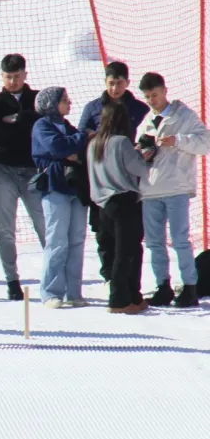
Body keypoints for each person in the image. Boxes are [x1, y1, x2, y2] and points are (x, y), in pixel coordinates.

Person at [137, 71, 210, 308]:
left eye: (155, 95)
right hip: (151, 190)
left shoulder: (185, 115)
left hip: (177, 187)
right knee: (155, 242)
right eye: (147, 97)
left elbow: (205, 143)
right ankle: (162, 286)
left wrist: (177, 140)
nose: (152, 100)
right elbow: (138, 150)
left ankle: (190, 286)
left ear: (165, 91)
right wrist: (144, 153)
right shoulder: (147, 121)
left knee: (180, 239)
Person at [77, 61, 150, 282]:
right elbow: (81, 134)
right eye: (111, 83)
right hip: (101, 174)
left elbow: (148, 131)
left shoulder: (139, 108)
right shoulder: (92, 107)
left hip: (129, 174)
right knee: (103, 230)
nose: (115, 88)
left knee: (129, 233)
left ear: (127, 83)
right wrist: (93, 137)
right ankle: (108, 273)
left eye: (119, 83)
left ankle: (126, 278)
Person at [0, 53, 45, 300]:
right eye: (8, 77)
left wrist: (16, 120)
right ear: (2, 76)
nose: (13, 81)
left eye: (17, 76)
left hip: (32, 170)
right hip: (3, 170)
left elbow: (40, 126)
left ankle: (53, 276)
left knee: (43, 223)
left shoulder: (36, 99)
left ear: (25, 75)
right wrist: (13, 127)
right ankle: (12, 280)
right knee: (5, 228)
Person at [87, 101, 150, 314]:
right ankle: (120, 299)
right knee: (128, 252)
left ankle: (132, 296)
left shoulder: (94, 143)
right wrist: (145, 156)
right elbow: (138, 168)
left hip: (103, 204)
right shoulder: (121, 142)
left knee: (117, 251)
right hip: (124, 200)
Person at [31, 87, 91, 309]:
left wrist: (74, 145)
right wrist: (78, 141)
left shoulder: (67, 127)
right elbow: (57, 147)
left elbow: (78, 148)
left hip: (75, 188)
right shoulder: (42, 126)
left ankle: (74, 292)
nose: (69, 103)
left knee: (76, 239)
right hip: (55, 187)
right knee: (57, 240)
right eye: (64, 100)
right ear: (51, 103)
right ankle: (51, 292)